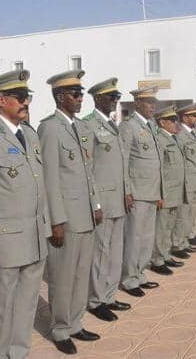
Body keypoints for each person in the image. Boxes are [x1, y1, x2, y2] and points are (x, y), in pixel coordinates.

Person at [0, 70, 50, 359]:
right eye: (19, 97)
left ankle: (18, 354)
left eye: (27, 97)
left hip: (34, 239)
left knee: (26, 306)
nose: (25, 102)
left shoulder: (29, 134)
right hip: (3, 244)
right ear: (1, 100)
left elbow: (39, 186)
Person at [37, 70, 103, 355]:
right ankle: (60, 328)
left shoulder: (79, 127)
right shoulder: (50, 128)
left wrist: (96, 204)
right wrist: (56, 220)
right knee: (63, 278)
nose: (80, 99)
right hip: (66, 217)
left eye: (81, 94)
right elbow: (49, 178)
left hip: (86, 213)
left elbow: (89, 171)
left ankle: (76, 322)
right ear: (60, 96)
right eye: (76, 95)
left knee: (80, 275)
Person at [83, 78, 131, 322]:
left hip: (119, 199)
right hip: (103, 200)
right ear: (98, 99)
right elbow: (88, 168)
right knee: (100, 253)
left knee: (115, 252)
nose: (115, 101)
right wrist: (95, 203)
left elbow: (121, 163)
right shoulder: (88, 125)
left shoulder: (113, 125)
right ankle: (95, 300)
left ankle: (109, 296)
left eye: (116, 97)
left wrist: (127, 191)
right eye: (111, 97)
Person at [119, 86, 163, 297]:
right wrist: (127, 191)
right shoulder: (129, 127)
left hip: (151, 190)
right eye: (148, 102)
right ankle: (129, 279)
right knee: (134, 238)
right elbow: (124, 160)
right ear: (137, 103)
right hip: (137, 191)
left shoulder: (151, 125)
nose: (152, 106)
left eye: (153, 102)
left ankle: (141, 273)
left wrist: (160, 190)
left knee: (147, 237)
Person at [150, 106, 186, 276]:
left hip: (175, 190)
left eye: (175, 120)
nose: (175, 123)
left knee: (170, 225)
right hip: (165, 191)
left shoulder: (173, 138)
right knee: (162, 227)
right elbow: (158, 169)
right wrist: (159, 193)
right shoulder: (159, 139)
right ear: (162, 122)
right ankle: (157, 260)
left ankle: (166, 254)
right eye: (171, 121)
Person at [173, 104, 196, 257]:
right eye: (193, 116)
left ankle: (186, 240)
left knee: (191, 214)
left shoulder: (192, 133)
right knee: (183, 215)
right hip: (187, 182)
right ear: (185, 118)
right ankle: (178, 244)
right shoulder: (180, 135)